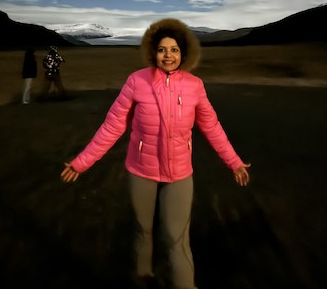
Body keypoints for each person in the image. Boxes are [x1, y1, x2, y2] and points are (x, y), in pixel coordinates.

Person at [61, 18, 250, 289]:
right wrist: (81, 163)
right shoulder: (136, 82)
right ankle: (142, 277)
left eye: (174, 49)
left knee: (177, 238)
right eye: (162, 49)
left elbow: (212, 127)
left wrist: (233, 162)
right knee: (143, 231)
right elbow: (112, 126)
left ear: (183, 53)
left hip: (180, 173)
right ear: (153, 52)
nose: (168, 55)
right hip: (141, 170)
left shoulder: (195, 86)